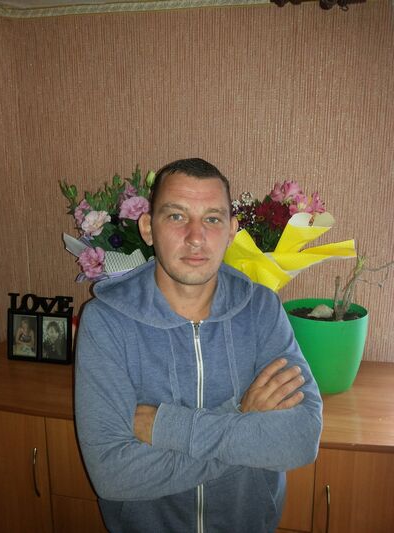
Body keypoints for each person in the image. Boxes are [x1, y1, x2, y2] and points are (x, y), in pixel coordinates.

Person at [75, 158, 322, 533]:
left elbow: (300, 438)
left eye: (212, 219)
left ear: (232, 231)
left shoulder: (261, 309)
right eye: (176, 216)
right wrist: (243, 418)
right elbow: (114, 475)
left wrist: (165, 427)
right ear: (148, 228)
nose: (195, 237)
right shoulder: (107, 321)